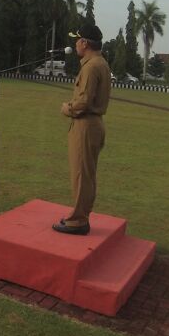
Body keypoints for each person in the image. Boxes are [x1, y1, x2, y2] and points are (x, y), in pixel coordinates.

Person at [53, 22, 111, 235]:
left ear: (84, 43)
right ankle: (81, 215)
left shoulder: (91, 66)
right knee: (86, 174)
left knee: (81, 174)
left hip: (86, 125)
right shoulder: (100, 63)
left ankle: (78, 221)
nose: (75, 44)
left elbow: (83, 101)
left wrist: (67, 108)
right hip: (93, 124)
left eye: (77, 40)